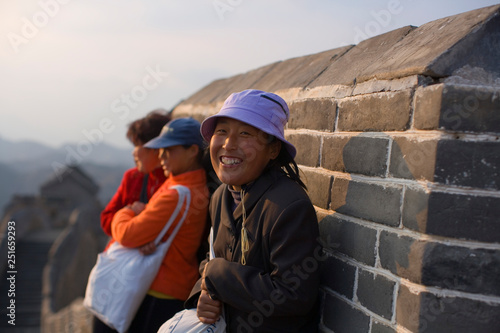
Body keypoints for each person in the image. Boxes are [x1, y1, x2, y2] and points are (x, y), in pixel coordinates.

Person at [186, 89, 320, 332]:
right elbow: (212, 257)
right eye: (222, 131)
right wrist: (204, 294)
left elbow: (293, 296)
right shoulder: (220, 197)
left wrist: (217, 275)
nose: (228, 144)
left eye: (245, 133)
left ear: (273, 149)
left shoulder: (288, 207)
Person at [96, 118, 210, 332]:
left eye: (169, 150)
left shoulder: (177, 193)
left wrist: (126, 211)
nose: (161, 156)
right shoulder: (183, 181)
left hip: (162, 291)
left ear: (193, 151)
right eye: (160, 150)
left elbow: (128, 234)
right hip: (167, 285)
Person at [100, 110, 171, 242]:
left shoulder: (175, 183)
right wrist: (131, 212)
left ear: (155, 148)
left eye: (137, 145)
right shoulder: (132, 177)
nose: (133, 153)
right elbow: (106, 219)